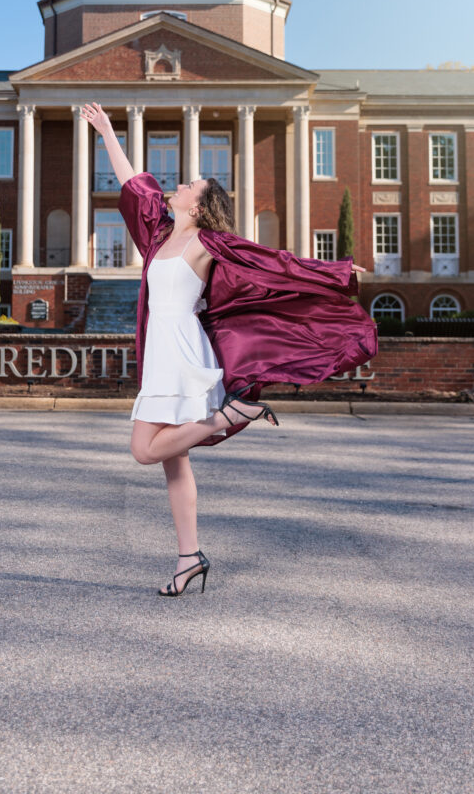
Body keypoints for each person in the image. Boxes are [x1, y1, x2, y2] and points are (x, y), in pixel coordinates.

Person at [80, 102, 376, 598]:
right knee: (173, 463)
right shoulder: (157, 237)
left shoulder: (209, 244)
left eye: (188, 186)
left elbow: (274, 264)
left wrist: (335, 274)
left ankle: (230, 415)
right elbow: (133, 184)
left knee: (142, 451)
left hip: (180, 350)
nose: (177, 185)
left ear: (197, 206)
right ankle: (188, 559)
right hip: (160, 350)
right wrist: (108, 131)